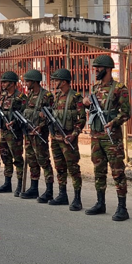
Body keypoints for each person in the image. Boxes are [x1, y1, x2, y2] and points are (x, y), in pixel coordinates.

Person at [83, 55, 131, 221]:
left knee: (117, 171)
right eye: (95, 68)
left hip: (112, 137)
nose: (96, 71)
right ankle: (100, 202)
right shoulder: (95, 87)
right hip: (96, 135)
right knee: (99, 170)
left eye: (98, 68)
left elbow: (126, 113)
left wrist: (114, 122)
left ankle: (122, 207)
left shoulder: (119, 88)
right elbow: (91, 107)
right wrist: (86, 103)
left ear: (108, 69)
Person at [47, 69, 85, 210]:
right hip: (56, 138)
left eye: (56, 80)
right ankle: (62, 194)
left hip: (68, 138)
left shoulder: (75, 97)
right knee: (59, 167)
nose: (55, 82)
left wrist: (74, 134)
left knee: (73, 168)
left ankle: (77, 198)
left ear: (64, 81)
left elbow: (82, 119)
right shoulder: (57, 97)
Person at [0, 71, 27, 196]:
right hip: (4, 132)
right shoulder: (3, 96)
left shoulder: (20, 97)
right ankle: (7, 182)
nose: (3, 84)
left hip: (14, 132)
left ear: (12, 83)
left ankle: (20, 184)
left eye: (5, 82)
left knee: (17, 159)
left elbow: (24, 114)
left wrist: (14, 122)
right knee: (5, 156)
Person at [20, 70, 55, 200]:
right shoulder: (29, 95)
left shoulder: (46, 96)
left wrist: (41, 127)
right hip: (29, 133)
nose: (26, 83)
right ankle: (34, 187)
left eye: (28, 81)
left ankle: (49, 190)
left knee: (43, 161)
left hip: (40, 134)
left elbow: (50, 115)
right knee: (32, 160)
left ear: (34, 82)